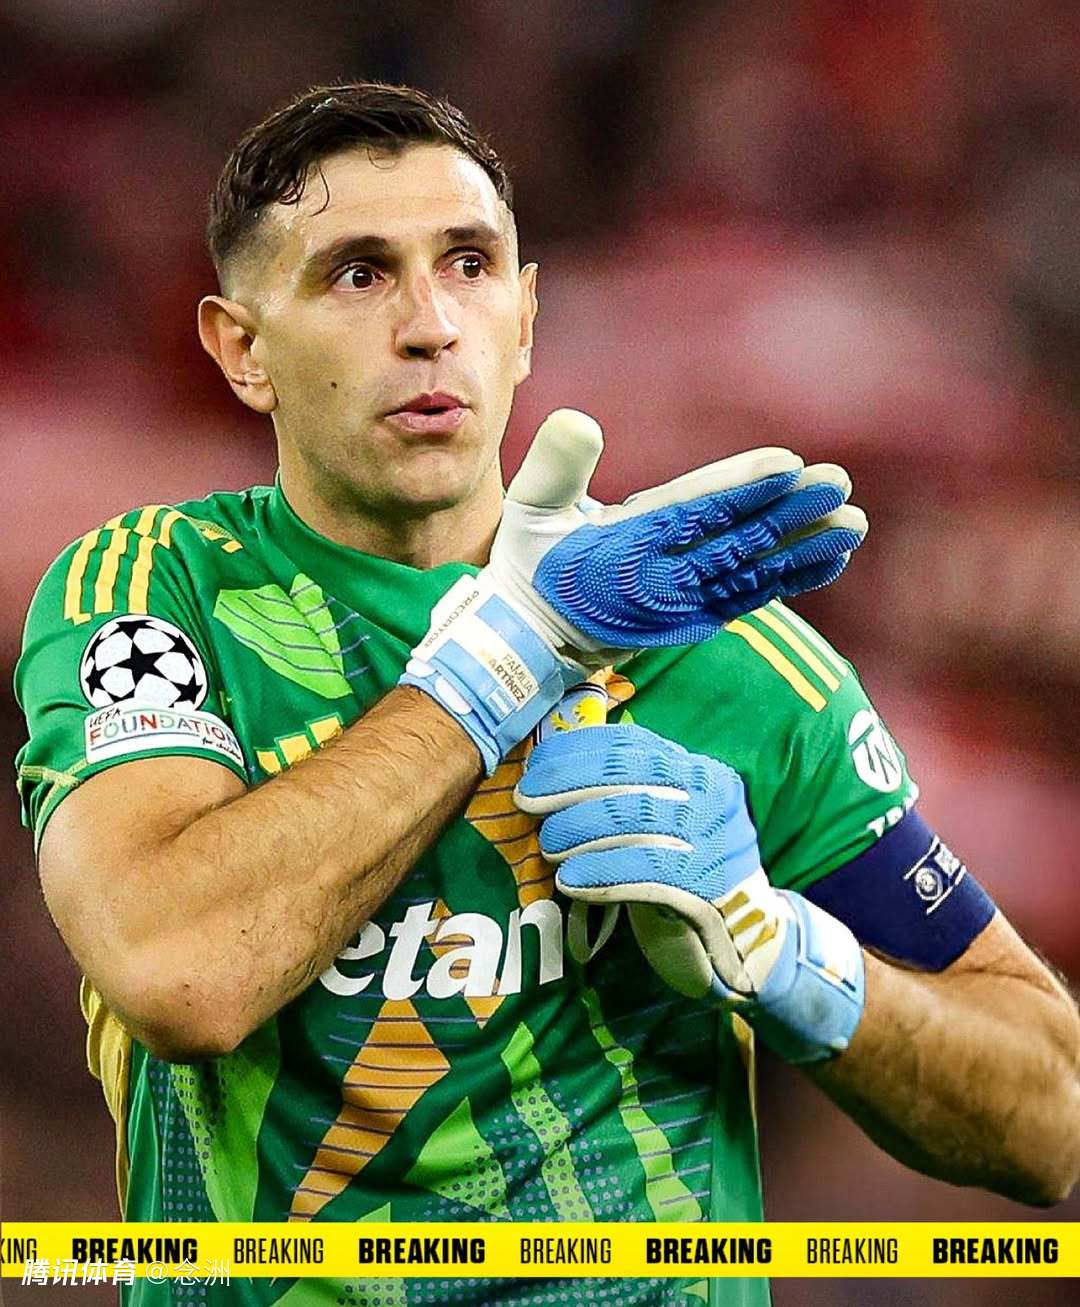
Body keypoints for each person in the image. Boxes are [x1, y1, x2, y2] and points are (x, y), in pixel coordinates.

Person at [14, 82, 1078, 1307]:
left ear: (523, 318)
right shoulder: (156, 592)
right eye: (358, 274)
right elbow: (178, 971)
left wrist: (786, 950)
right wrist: (511, 652)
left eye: (468, 265)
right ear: (241, 349)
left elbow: (1049, 1116)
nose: (429, 325)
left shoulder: (709, 644)